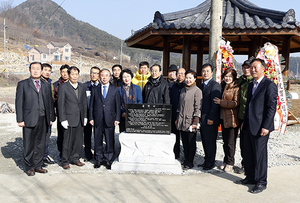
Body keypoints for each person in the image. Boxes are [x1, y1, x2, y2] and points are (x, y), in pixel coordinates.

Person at [235, 59, 277, 194]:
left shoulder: (268, 85)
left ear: (263, 68)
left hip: (261, 127)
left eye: (255, 67)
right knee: (248, 153)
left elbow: (271, 108)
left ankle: (261, 182)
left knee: (259, 155)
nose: (252, 70)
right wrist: (243, 122)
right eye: (251, 67)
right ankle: (250, 177)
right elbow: (248, 105)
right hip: (248, 125)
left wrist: (266, 126)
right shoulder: (251, 85)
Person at [15, 62, 55, 176]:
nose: (36, 71)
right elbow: (19, 103)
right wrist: (20, 119)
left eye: (38, 69)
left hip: (43, 118)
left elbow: (49, 103)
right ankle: (30, 166)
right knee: (29, 144)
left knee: (41, 143)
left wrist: (50, 117)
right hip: (29, 119)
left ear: (41, 70)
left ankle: (38, 165)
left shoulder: (46, 85)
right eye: (33, 69)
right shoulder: (23, 84)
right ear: (30, 70)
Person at [89, 68, 121, 170]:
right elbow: (92, 105)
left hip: (110, 119)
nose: (104, 77)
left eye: (106, 75)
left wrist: (117, 118)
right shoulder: (95, 89)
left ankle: (108, 159)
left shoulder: (114, 89)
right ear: (99, 77)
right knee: (97, 140)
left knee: (109, 140)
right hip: (97, 118)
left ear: (110, 77)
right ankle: (98, 159)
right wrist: (91, 118)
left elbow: (117, 105)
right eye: (102, 75)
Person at [58, 66, 87, 170]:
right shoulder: (63, 87)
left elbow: (84, 103)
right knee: (67, 141)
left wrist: (85, 117)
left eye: (76, 74)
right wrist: (63, 119)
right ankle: (65, 160)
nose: (75, 76)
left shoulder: (82, 86)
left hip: (79, 118)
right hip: (68, 118)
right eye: (72, 74)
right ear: (69, 75)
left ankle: (75, 158)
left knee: (78, 140)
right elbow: (60, 104)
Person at [213, 68, 240, 172]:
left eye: (230, 76)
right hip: (223, 118)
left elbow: (235, 103)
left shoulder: (236, 87)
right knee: (225, 142)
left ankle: (230, 162)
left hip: (232, 118)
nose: (227, 78)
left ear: (233, 77)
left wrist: (221, 103)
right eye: (226, 76)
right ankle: (225, 160)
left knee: (230, 143)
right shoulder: (222, 86)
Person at [176, 70, 202, 169]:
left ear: (195, 79)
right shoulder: (183, 90)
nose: (188, 80)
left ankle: (190, 161)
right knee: (185, 142)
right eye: (186, 77)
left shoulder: (197, 91)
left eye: (190, 78)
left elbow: (198, 107)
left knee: (191, 142)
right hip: (182, 120)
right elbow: (179, 105)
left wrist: (195, 121)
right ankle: (186, 159)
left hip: (190, 121)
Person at [198, 63, 221, 170]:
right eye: (203, 71)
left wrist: (211, 118)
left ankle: (210, 162)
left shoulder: (215, 85)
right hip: (203, 119)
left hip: (210, 119)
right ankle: (206, 160)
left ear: (212, 72)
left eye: (207, 71)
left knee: (210, 142)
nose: (205, 73)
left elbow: (215, 104)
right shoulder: (202, 85)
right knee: (205, 140)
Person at [237, 59, 253, 172]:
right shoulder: (240, 81)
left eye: (248, 67)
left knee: (250, 143)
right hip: (240, 116)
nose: (246, 69)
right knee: (242, 143)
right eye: (244, 67)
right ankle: (244, 163)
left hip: (251, 117)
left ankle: (251, 166)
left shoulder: (254, 82)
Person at [83, 66, 100, 161]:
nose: (94, 75)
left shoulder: (102, 86)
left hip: (98, 115)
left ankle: (98, 154)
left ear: (99, 75)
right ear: (90, 74)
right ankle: (88, 154)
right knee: (87, 135)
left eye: (96, 73)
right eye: (92, 73)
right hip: (87, 114)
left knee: (98, 135)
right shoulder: (84, 86)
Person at [53, 64, 69, 159]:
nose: (65, 74)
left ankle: (70, 153)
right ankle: (61, 153)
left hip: (72, 114)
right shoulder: (55, 85)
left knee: (71, 134)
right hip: (61, 114)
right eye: (63, 72)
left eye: (67, 72)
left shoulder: (75, 84)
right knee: (61, 134)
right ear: (60, 73)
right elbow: (53, 100)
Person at [169, 67, 186, 159]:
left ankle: (187, 158)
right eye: (178, 73)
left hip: (184, 115)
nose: (180, 75)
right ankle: (175, 154)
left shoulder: (187, 86)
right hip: (173, 115)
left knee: (185, 137)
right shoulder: (172, 86)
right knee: (174, 136)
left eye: (182, 73)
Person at [41, 63, 55, 166]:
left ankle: (44, 156)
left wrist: (51, 116)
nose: (47, 72)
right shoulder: (38, 83)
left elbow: (51, 101)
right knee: (39, 138)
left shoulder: (50, 83)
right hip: (39, 116)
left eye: (49, 70)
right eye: (45, 70)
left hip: (48, 116)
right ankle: (38, 158)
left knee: (47, 137)